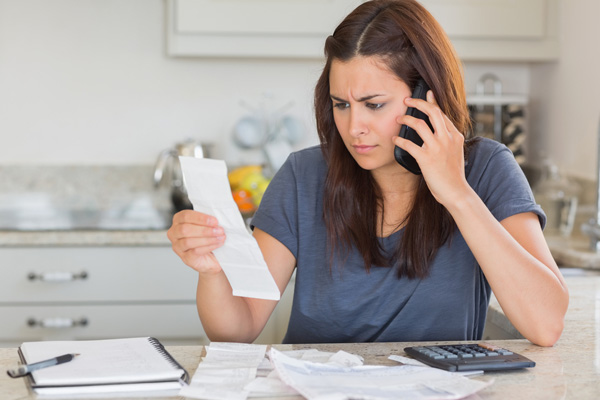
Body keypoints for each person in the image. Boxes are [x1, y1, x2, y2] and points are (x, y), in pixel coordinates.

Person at [167, 0, 568, 346]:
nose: (353, 126)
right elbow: (238, 329)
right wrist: (214, 272)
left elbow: (546, 325)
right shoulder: (302, 177)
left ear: (427, 99)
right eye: (341, 104)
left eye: (373, 104)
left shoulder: (486, 170)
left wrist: (458, 195)